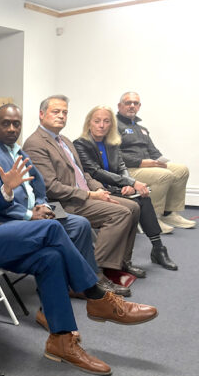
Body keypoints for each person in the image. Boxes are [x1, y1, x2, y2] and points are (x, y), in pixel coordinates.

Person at [0, 106, 159, 376]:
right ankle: (97, 296)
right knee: (50, 230)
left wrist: (6, 188)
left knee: (50, 258)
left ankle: (61, 340)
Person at [0, 103, 130, 296]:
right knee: (66, 228)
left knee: (80, 225)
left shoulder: (17, 149)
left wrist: (43, 204)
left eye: (16, 124)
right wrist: (30, 214)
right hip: (13, 218)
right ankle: (89, 283)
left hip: (39, 209)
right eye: (6, 124)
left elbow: (39, 185)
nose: (12, 129)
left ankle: (81, 281)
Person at [22, 95, 146, 279]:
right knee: (119, 213)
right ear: (41, 114)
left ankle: (120, 263)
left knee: (134, 207)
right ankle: (94, 273)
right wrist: (90, 195)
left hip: (81, 197)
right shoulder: (35, 143)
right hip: (59, 203)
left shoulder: (64, 140)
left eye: (64, 112)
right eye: (56, 112)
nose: (61, 116)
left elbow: (83, 174)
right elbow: (51, 187)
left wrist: (98, 190)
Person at [74, 105, 178, 271]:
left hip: (117, 187)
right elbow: (95, 171)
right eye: (97, 121)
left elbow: (122, 166)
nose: (101, 125)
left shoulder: (113, 143)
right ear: (89, 123)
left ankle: (158, 248)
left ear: (111, 125)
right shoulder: (80, 144)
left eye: (106, 121)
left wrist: (130, 184)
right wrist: (128, 183)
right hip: (98, 190)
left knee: (143, 196)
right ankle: (122, 261)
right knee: (135, 205)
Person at [116, 91, 194, 232]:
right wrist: (141, 162)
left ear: (139, 106)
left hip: (147, 166)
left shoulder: (142, 129)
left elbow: (153, 150)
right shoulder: (114, 125)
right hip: (129, 169)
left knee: (181, 170)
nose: (132, 106)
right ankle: (152, 218)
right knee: (164, 175)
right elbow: (115, 154)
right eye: (128, 103)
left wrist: (160, 161)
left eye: (136, 103)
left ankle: (168, 213)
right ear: (120, 106)